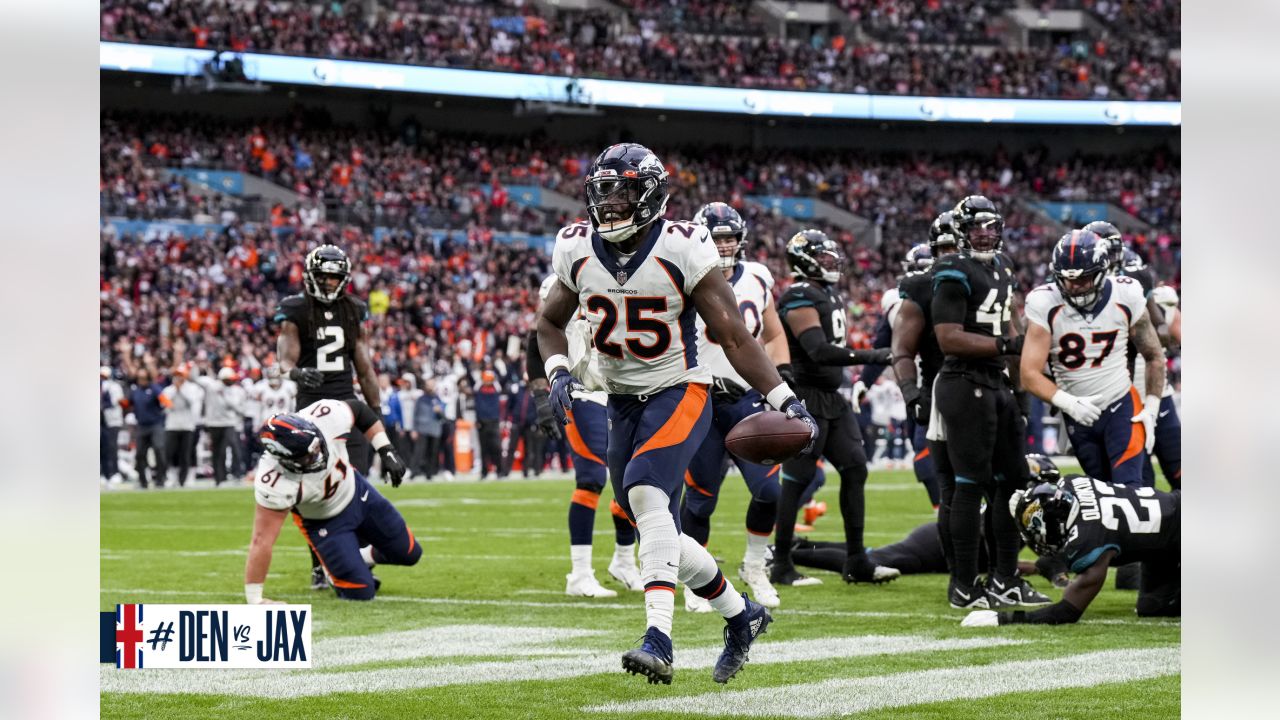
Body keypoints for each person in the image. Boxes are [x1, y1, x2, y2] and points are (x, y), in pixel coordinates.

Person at [537, 143, 816, 685]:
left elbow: (733, 335)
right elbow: (549, 322)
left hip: (679, 386)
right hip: (619, 396)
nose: (611, 203)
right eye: (604, 191)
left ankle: (659, 638)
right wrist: (557, 371)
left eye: (623, 191)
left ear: (652, 196)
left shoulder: (683, 245)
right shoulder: (574, 247)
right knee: (654, 525)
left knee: (644, 495)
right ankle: (742, 615)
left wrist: (783, 398)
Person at [931, 195, 1048, 611]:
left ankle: (1005, 577)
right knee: (968, 483)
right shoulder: (952, 270)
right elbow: (948, 336)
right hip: (963, 381)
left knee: (1012, 482)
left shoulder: (1002, 266)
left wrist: (1020, 382)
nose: (985, 233)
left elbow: (1011, 321)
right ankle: (964, 584)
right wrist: (1007, 345)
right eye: (976, 226)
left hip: (996, 381)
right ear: (961, 231)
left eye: (991, 225)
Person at [770, 229, 896, 588]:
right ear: (804, 261)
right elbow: (818, 350)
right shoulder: (798, 295)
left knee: (856, 468)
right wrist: (873, 356)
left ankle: (857, 561)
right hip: (806, 395)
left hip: (832, 397)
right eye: (822, 257)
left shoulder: (827, 293)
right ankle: (780, 564)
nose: (830, 263)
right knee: (797, 479)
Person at [680, 202, 788, 612]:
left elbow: (774, 333)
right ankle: (696, 580)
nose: (724, 245)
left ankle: (755, 565)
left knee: (768, 490)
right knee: (701, 498)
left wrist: (779, 378)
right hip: (702, 402)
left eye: (729, 237)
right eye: (717, 237)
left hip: (746, 400)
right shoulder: (688, 275)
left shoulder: (758, 276)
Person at [274, 244, 383, 589]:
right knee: (317, 492)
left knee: (357, 487)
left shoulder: (354, 310)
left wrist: (375, 415)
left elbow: (364, 367)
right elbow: (284, 361)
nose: (330, 282)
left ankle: (352, 562)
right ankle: (323, 565)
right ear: (310, 276)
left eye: (335, 276)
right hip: (310, 409)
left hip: (347, 406)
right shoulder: (295, 309)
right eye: (324, 276)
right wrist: (295, 374)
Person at [1020, 230, 1166, 487]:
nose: (1074, 286)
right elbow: (1029, 373)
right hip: (1078, 414)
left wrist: (1151, 409)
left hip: (1121, 405)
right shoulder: (1044, 302)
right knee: (1100, 493)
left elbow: (1153, 355)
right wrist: (1067, 402)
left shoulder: (1126, 294)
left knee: (1129, 490)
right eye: (1067, 280)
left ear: (1102, 272)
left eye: (1084, 279)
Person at [527, 274, 642, 598]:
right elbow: (536, 341)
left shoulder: (611, 280)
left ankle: (623, 562)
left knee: (631, 479)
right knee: (591, 478)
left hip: (615, 393)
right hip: (579, 394)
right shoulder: (562, 281)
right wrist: (540, 397)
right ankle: (579, 574)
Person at [244, 399, 416, 603]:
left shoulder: (324, 416)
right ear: (286, 460)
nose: (317, 455)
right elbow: (261, 540)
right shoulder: (274, 481)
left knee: (409, 553)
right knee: (361, 593)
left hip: (357, 493)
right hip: (323, 521)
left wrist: (386, 450)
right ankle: (333, 569)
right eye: (308, 456)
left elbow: (360, 410)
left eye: (316, 447)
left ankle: (359, 558)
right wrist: (255, 600)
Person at [962, 470, 1180, 626]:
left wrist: (1003, 619)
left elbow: (1068, 611)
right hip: (1165, 544)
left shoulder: (1089, 541)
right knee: (1153, 606)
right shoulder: (1071, 484)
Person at [893, 213, 961, 570]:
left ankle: (1001, 568)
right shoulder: (917, 288)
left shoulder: (994, 278)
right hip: (940, 391)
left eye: (956, 246)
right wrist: (910, 392)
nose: (950, 254)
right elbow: (897, 349)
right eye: (944, 247)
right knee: (942, 477)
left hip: (987, 391)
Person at [197, 367, 247, 486]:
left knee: (234, 446)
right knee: (217, 451)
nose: (231, 381)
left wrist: (225, 398)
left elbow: (239, 408)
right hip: (214, 423)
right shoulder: (212, 386)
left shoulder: (236, 390)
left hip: (229, 422)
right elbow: (197, 379)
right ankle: (219, 478)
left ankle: (237, 474)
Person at [160, 368, 203, 487]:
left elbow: (193, 403)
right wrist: (175, 390)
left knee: (185, 453)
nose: (179, 378)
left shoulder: (193, 388)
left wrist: (181, 390)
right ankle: (172, 476)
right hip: (172, 425)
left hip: (187, 425)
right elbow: (166, 405)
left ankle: (184, 479)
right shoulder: (168, 390)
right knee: (170, 452)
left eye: (181, 375)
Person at [128, 368, 168, 489]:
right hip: (141, 425)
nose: (142, 381)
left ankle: (161, 479)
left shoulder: (154, 388)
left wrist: (162, 411)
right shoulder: (135, 391)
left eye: (144, 378)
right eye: (140, 378)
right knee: (140, 454)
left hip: (156, 424)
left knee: (159, 449)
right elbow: (128, 403)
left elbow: (165, 402)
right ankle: (143, 481)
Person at [473, 370, 503, 480]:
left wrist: (493, 377)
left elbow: (498, 386)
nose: (487, 382)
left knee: (496, 448)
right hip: (482, 422)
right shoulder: (479, 390)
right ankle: (484, 472)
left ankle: (499, 470)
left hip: (493, 422)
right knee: (483, 449)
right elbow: (475, 387)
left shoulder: (496, 389)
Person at [101, 367, 126, 484]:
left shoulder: (114, 387)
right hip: (102, 421)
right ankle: (104, 472)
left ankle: (115, 472)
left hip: (112, 421)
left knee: (112, 447)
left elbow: (114, 402)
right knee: (102, 448)